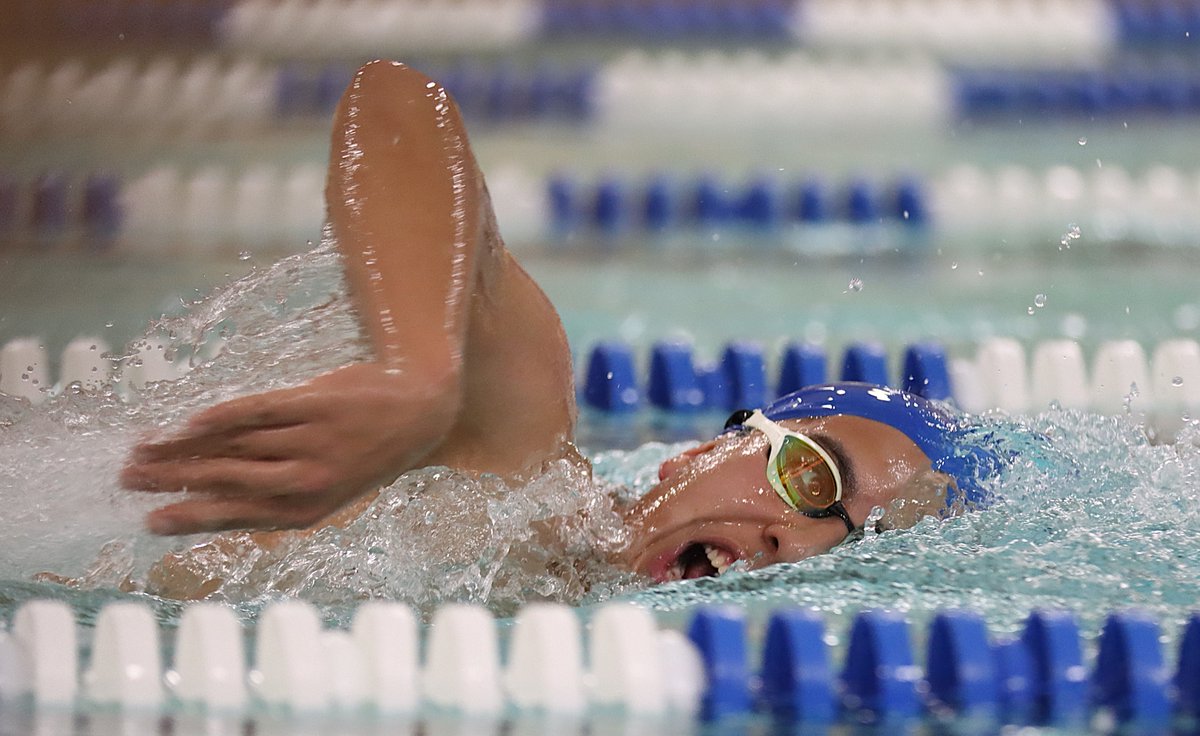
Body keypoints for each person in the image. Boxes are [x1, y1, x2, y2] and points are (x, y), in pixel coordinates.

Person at [120, 61, 997, 588]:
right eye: (810, 477)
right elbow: (396, 102)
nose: (793, 542)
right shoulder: (516, 472)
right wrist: (420, 374)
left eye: (858, 549)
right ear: (698, 453)